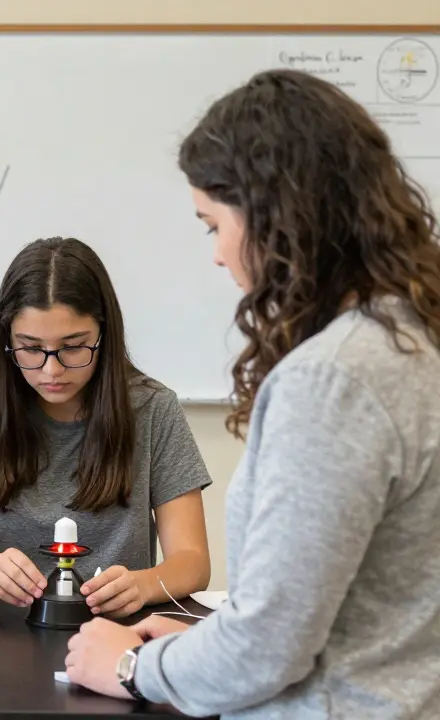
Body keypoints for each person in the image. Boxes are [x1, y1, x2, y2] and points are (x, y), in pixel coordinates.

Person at [65, 69, 440, 718]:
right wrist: (201, 643)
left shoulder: (334, 378)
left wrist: (129, 665)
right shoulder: (409, 335)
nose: (215, 255)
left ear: (274, 215)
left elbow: (269, 648)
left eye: (213, 224)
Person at [0, 236, 212, 618]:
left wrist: (143, 585)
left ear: (104, 335)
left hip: (116, 630)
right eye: (31, 348)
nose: (52, 370)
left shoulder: (153, 410)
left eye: (74, 347)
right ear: (6, 341)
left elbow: (193, 562)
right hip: (6, 634)